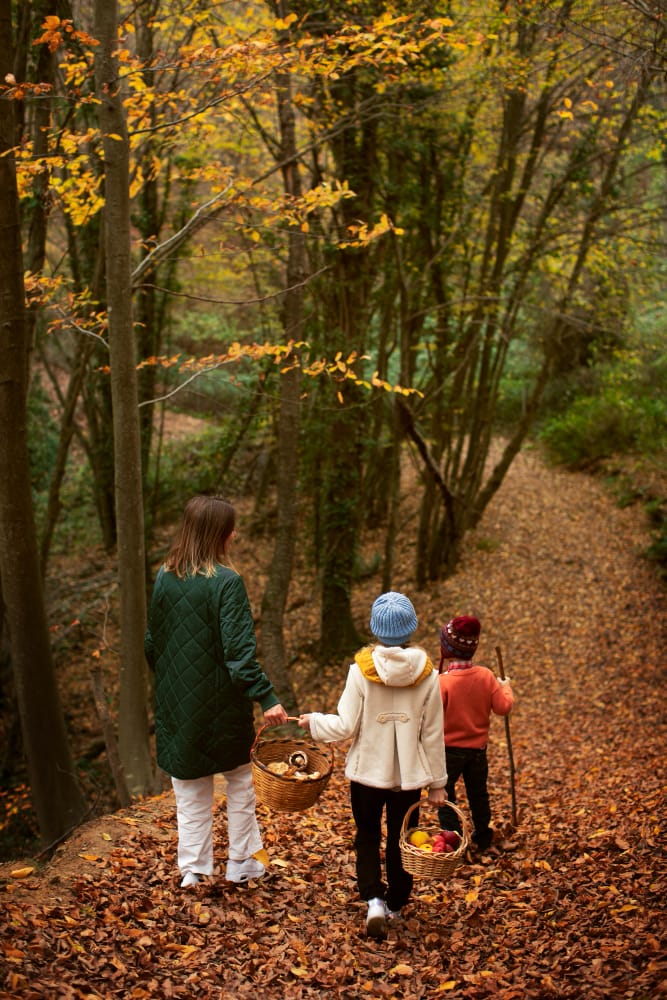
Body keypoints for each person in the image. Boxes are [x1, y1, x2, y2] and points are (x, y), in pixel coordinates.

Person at [144, 495, 288, 889]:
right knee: (241, 783)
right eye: (230, 529)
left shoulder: (163, 577)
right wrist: (267, 698)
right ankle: (242, 861)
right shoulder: (227, 582)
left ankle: (193, 869)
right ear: (219, 535)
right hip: (223, 707)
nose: (235, 534)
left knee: (190, 789)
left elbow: (152, 643)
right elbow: (239, 656)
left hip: (177, 704)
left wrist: (175, 683)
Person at [298, 591, 446, 940]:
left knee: (366, 835)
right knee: (403, 838)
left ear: (374, 629)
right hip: (408, 777)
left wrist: (314, 722)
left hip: (367, 775)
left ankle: (374, 900)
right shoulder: (428, 675)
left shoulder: (360, 672)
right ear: (412, 628)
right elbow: (433, 733)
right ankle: (396, 901)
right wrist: (438, 782)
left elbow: (346, 726)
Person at [437, 615, 513, 852]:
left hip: (448, 752)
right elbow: (503, 707)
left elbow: (432, 720)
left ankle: (453, 841)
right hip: (478, 751)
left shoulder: (443, 683)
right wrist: (506, 687)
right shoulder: (486, 676)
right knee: (478, 794)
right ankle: (483, 837)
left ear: (448, 649)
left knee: (446, 797)